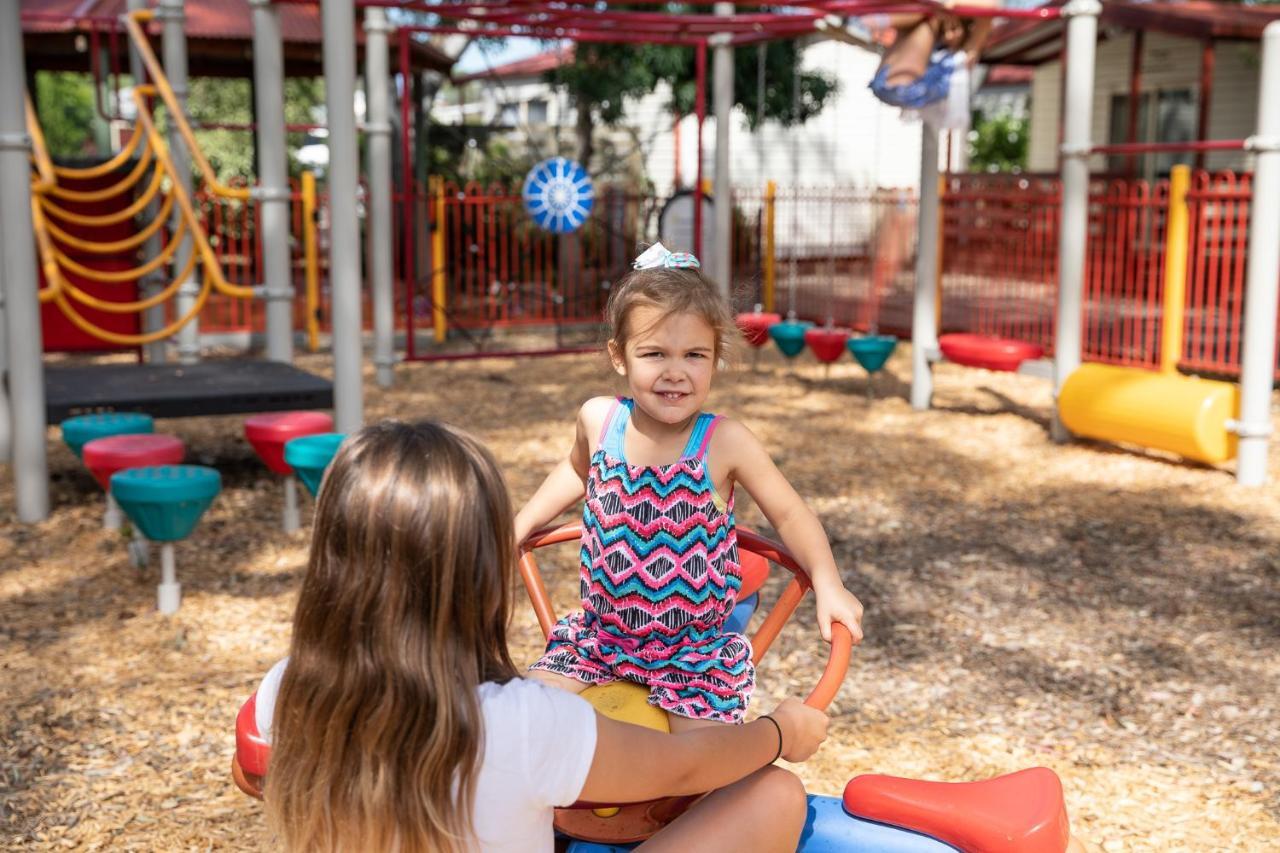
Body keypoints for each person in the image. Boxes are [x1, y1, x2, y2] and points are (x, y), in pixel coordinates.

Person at [256, 419, 829, 852]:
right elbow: (681, 766)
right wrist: (779, 732)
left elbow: (250, 769)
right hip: (655, 689)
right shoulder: (524, 722)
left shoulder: (288, 689)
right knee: (775, 794)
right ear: (481, 574)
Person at [515, 243, 865, 732]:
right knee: (523, 721)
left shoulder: (724, 442)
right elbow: (576, 471)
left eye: (694, 355)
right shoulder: (600, 420)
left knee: (699, 761)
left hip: (692, 657)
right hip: (599, 640)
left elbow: (790, 515)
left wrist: (828, 583)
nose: (675, 372)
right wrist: (519, 525)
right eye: (655, 353)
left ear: (716, 359)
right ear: (620, 357)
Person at [864, 0, 999, 122]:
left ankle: (877, 20)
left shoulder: (968, 52)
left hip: (904, 88)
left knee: (931, 11)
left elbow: (991, 5)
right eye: (949, 28)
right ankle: (877, 19)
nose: (949, 35)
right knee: (927, 11)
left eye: (954, 29)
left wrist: (949, 4)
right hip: (885, 81)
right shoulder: (932, 43)